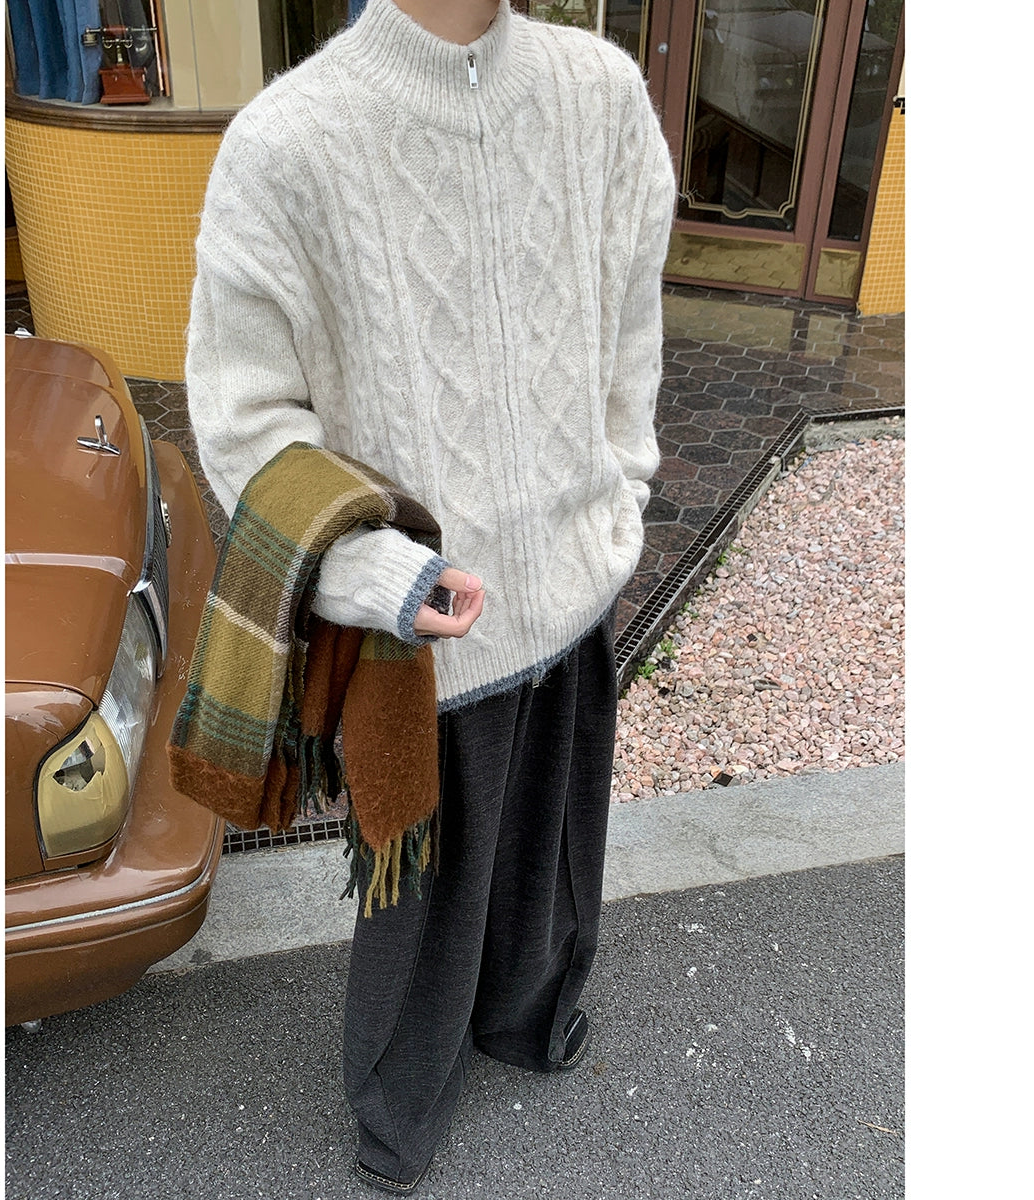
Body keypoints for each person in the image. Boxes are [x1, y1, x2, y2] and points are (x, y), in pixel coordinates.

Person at [185, 0, 676, 1191]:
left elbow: (632, 317)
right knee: (422, 912)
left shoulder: (601, 93)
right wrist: (375, 577)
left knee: (555, 848)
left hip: (573, 589)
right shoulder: (288, 142)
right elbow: (244, 425)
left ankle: (531, 1015)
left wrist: (621, 493)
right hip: (424, 623)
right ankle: (401, 1113)